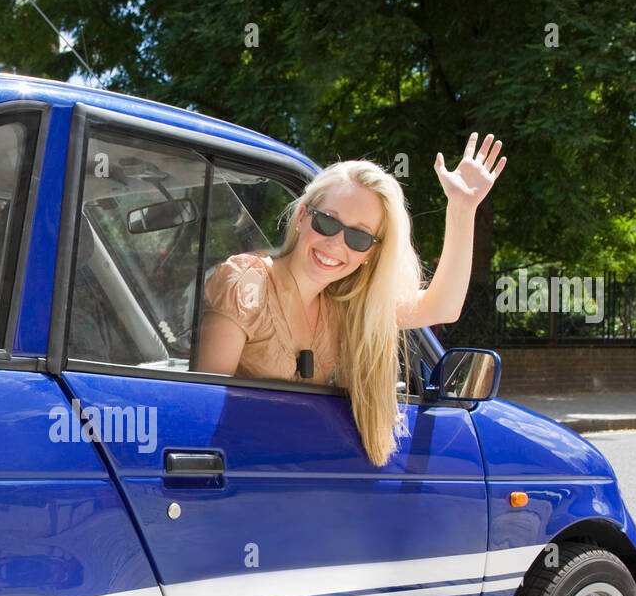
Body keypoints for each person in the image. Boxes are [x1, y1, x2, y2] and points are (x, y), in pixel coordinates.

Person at [195, 132, 507, 466]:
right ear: (302, 216)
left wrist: (462, 208)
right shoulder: (246, 283)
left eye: (358, 236)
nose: (336, 244)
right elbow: (199, 408)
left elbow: (443, 306)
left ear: (371, 253)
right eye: (327, 221)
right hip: (238, 475)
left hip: (297, 477)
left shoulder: (343, 306)